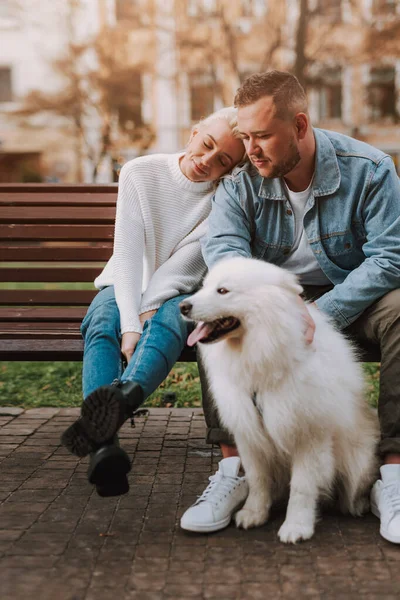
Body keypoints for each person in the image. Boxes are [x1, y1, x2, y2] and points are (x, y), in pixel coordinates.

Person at [180, 70, 400, 545]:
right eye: (245, 137)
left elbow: (391, 255)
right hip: (272, 305)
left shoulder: (370, 168)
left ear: (299, 126)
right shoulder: (241, 184)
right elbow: (224, 252)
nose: (251, 149)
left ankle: (394, 475)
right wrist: (271, 303)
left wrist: (319, 313)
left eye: (262, 136)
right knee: (218, 317)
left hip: (353, 297)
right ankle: (233, 466)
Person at [61, 107, 245, 497]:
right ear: (194, 133)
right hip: (122, 282)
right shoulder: (139, 172)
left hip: (175, 288)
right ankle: (105, 446)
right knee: (102, 325)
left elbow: (183, 266)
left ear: (232, 168)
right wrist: (131, 325)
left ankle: (102, 427)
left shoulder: (224, 197)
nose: (207, 161)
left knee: (172, 320)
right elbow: (127, 255)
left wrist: (149, 309)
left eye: (223, 160)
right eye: (206, 145)